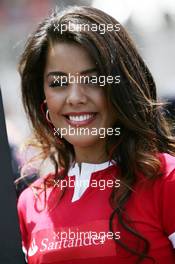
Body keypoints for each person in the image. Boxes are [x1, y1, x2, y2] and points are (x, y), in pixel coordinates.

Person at [17, 6, 175, 264]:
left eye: (94, 80)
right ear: (42, 96)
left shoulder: (166, 182)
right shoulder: (30, 203)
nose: (75, 97)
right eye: (58, 83)